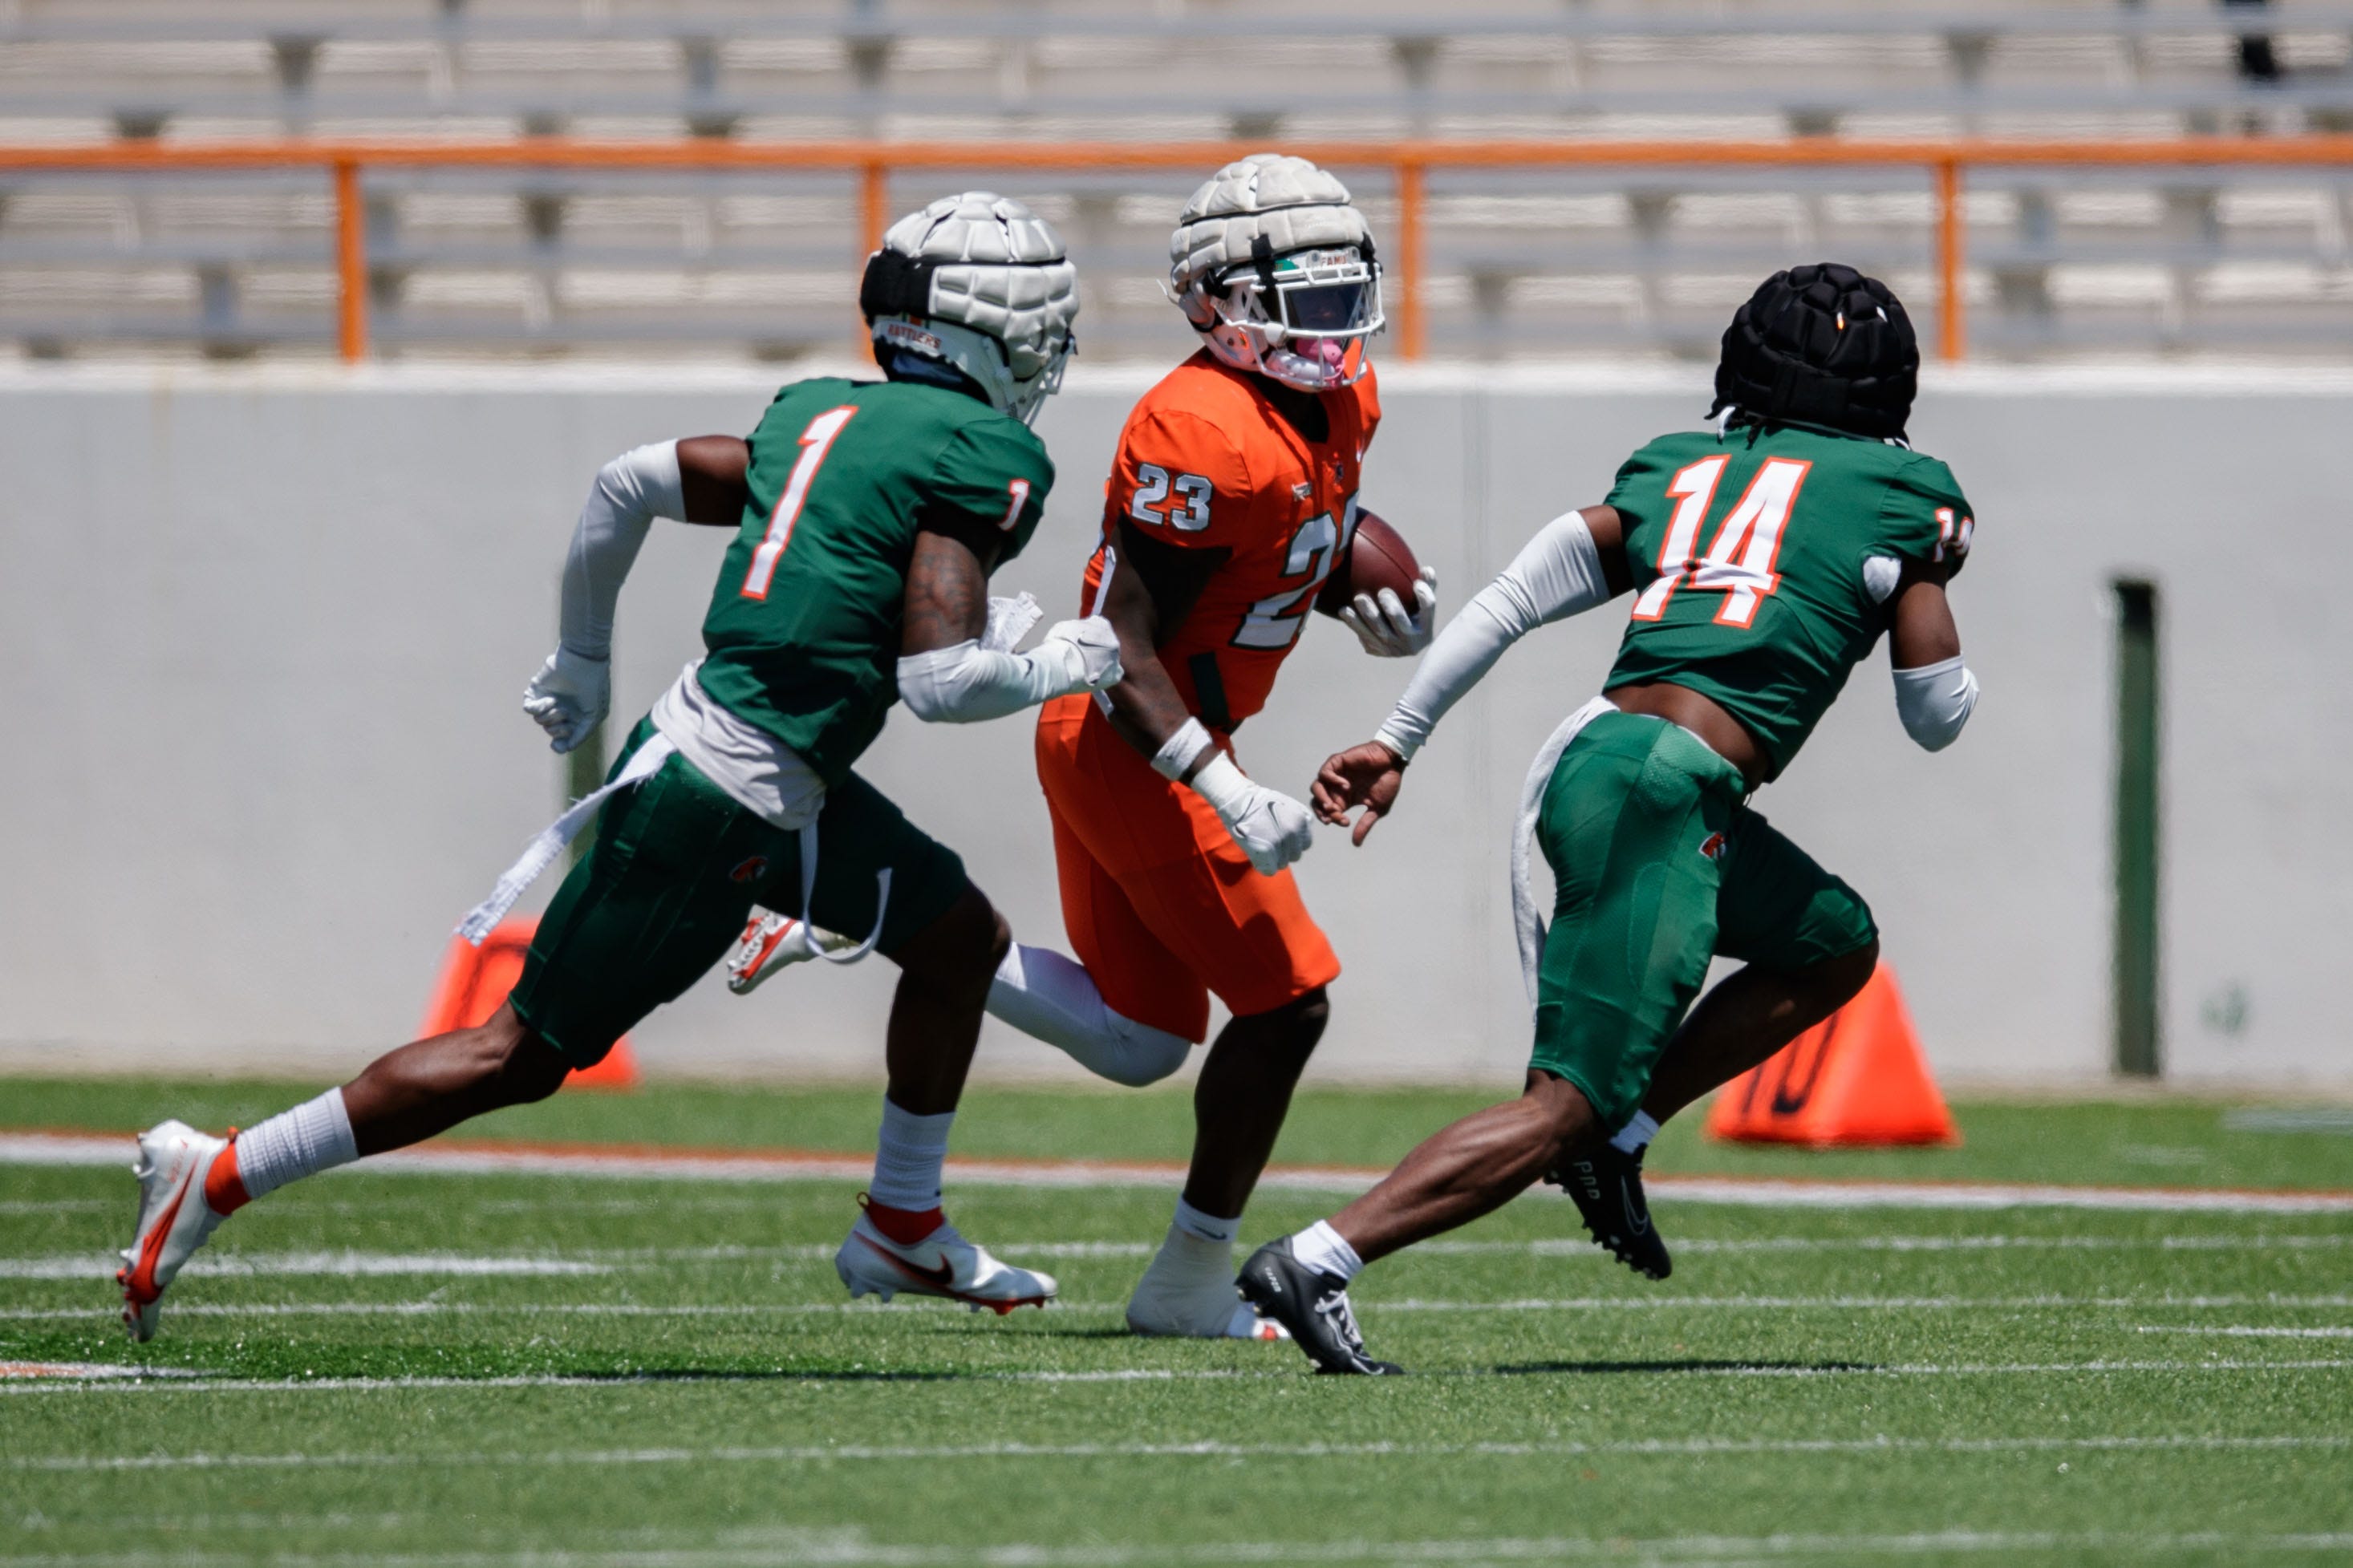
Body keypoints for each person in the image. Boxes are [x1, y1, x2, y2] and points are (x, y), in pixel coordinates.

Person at [116, 192, 1121, 1343]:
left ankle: (901, 1223)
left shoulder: (820, 413)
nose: (1047, 349)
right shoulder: (980, 450)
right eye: (1038, 324)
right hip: (724, 800)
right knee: (519, 1054)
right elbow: (942, 686)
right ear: (983, 334)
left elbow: (630, 479)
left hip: (748, 764)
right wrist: (1067, 663)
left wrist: (582, 660)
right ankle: (222, 1171)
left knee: (957, 940)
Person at [1240, 263, 1981, 1372]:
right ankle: (1319, 1257)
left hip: (1619, 763)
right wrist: (1923, 578)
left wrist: (1398, 737)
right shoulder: (1904, 496)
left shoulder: (1677, 466)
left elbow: (1510, 599)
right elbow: (1937, 717)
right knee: (1558, 1108)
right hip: (1660, 792)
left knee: (1831, 942)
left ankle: (1620, 1138)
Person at [996, 153, 1436, 1340]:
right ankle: (1190, 1281)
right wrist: (1225, 788)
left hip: (1137, 735)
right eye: (1301, 301)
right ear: (1215, 302)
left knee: (1142, 1042)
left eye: (1345, 298)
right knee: (1288, 1001)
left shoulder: (1343, 400)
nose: (1329, 329)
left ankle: (893, 918)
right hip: (1129, 734)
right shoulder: (1197, 428)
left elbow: (1302, 524)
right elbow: (1118, 639)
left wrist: (1358, 585)